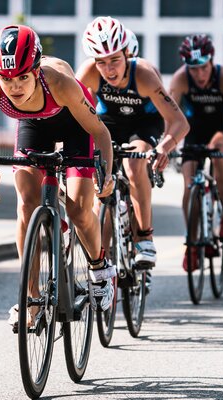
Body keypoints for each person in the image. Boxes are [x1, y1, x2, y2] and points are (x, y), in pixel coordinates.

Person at [0, 25, 115, 312]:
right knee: (26, 203)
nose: (14, 87)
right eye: (6, 78)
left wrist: (106, 174)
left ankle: (100, 269)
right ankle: (31, 299)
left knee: (78, 209)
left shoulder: (60, 82)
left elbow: (100, 134)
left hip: (74, 124)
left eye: (23, 76)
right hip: (33, 128)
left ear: (36, 70)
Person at [76, 16, 189, 269]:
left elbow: (180, 122)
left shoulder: (145, 74)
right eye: (101, 63)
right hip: (109, 124)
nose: (109, 70)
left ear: (127, 53)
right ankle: (100, 265)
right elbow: (72, 115)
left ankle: (145, 237)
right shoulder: (89, 73)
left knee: (133, 165)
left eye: (115, 60)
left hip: (144, 123)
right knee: (100, 187)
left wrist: (164, 147)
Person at [169, 34, 223, 270]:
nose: (199, 74)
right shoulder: (180, 79)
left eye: (203, 68)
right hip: (193, 130)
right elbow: (169, 116)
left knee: (219, 152)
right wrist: (166, 145)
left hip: (220, 128)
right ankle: (192, 244)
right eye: (194, 69)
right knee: (189, 184)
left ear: (211, 61)